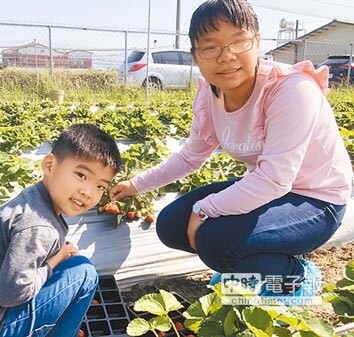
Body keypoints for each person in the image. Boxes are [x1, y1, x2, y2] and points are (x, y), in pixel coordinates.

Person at [110, 0, 352, 299]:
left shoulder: (291, 90)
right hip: (269, 188)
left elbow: (275, 179)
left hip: (317, 200)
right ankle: (250, 273)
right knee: (171, 225)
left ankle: (295, 277)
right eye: (210, 47)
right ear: (195, 56)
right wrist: (136, 184)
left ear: (257, 43)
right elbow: (191, 155)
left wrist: (205, 209)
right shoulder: (209, 95)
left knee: (215, 241)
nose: (226, 57)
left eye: (239, 42)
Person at [0, 124, 122, 337]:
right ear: (49, 165)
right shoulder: (39, 225)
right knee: (84, 273)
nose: (88, 192)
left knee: (73, 265)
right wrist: (56, 259)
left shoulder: (31, 200)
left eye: (101, 186)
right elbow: (11, 294)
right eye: (81, 175)